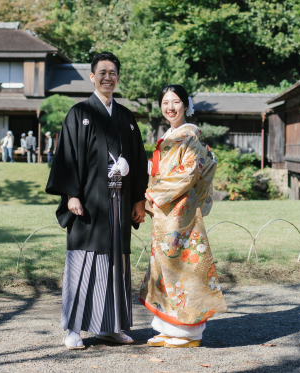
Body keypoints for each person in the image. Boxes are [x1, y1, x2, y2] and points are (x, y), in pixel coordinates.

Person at [46, 52, 149, 350]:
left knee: (116, 260)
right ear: (92, 77)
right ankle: (74, 329)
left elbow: (140, 160)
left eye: (113, 72)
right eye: (102, 72)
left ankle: (111, 326)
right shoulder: (79, 113)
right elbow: (67, 156)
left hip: (119, 199)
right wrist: (71, 194)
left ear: (117, 77)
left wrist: (139, 199)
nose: (108, 77)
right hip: (89, 200)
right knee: (83, 259)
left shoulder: (126, 117)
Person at [138, 84, 226, 349]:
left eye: (176, 101)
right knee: (165, 268)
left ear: (186, 105)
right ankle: (169, 327)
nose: (170, 107)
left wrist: (152, 194)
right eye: (165, 102)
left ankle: (190, 332)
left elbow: (188, 173)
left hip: (179, 211)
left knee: (184, 269)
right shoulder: (173, 134)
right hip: (167, 211)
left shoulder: (190, 135)